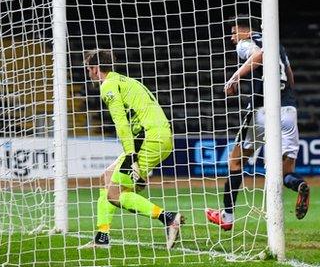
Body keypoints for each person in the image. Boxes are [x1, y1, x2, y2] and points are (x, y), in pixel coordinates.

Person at [205, 15, 310, 231]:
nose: (232, 37)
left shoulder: (246, 43)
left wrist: (234, 77)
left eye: (234, 32)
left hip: (263, 110)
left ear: (246, 31)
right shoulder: (277, 44)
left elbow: (259, 55)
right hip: (288, 110)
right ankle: (299, 184)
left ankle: (227, 216)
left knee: (235, 162)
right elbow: (290, 76)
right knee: (283, 173)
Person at [80, 50, 183, 250]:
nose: (88, 73)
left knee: (115, 194)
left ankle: (170, 219)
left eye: (88, 69)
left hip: (148, 139)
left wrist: (132, 156)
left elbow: (121, 124)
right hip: (158, 136)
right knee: (108, 176)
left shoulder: (108, 85)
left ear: (95, 68)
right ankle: (102, 237)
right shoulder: (127, 81)